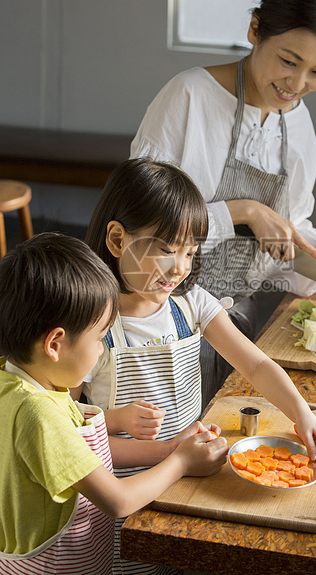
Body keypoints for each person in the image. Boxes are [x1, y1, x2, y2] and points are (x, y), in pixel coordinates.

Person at [129, 0, 316, 407]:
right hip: (161, 321)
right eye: (288, 61)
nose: (297, 84)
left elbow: (288, 225)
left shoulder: (298, 125)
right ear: (254, 30)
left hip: (241, 323)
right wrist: (242, 210)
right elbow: (141, 221)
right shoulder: (188, 97)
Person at [81, 157, 316, 575]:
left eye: (190, 251)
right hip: (126, 497)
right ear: (116, 238)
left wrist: (302, 413)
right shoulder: (91, 326)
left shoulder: (192, 304)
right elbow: (78, 438)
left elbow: (255, 365)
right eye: (165, 250)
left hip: (191, 477)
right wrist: (168, 452)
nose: (180, 267)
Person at [0, 233, 228, 575]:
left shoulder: (19, 383)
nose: (101, 350)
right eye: (98, 339)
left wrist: (169, 448)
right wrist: (180, 462)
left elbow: (82, 456)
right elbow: (117, 500)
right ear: (55, 344)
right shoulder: (39, 415)